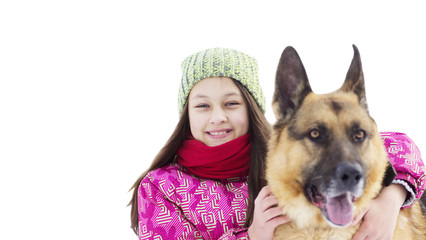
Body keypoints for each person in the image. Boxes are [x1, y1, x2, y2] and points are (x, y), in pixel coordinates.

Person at [129, 48, 425, 239]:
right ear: (186, 114)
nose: (218, 117)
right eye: (202, 106)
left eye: (231, 103)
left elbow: (398, 145)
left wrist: (391, 199)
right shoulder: (161, 188)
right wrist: (253, 236)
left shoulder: (280, 157)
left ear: (252, 108)